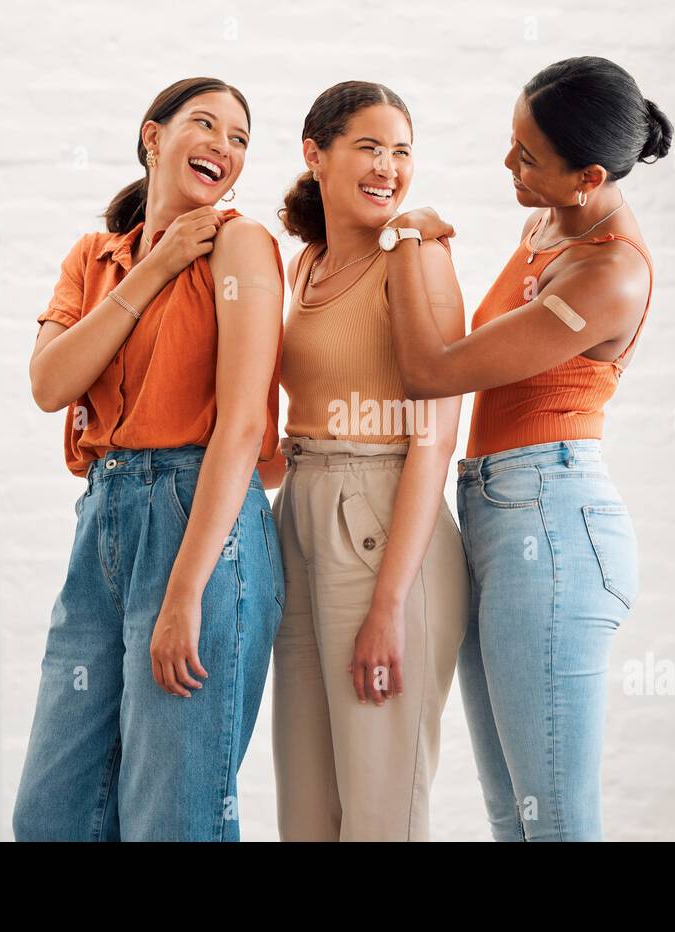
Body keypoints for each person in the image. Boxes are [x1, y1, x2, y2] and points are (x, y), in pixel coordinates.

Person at [382, 56, 671, 841]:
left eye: (528, 157)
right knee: (515, 813)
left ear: (590, 176)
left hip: (554, 524)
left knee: (557, 824)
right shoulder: (544, 225)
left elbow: (429, 371)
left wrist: (405, 240)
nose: (507, 164)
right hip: (501, 515)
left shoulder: (609, 274)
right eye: (513, 141)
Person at [13, 77, 286, 841]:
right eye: (206, 124)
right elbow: (50, 382)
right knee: (52, 815)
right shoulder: (96, 257)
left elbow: (239, 425)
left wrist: (185, 591)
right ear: (153, 137)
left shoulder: (240, 244)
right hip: (104, 517)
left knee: (174, 818)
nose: (224, 147)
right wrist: (155, 267)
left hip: (201, 523)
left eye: (239, 138)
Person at [268, 81, 469, 841]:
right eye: (370, 147)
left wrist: (390, 605)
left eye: (402, 152)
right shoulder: (306, 265)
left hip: (386, 524)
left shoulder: (419, 259)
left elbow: (435, 437)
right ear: (315, 155)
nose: (389, 167)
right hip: (304, 515)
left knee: (381, 807)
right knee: (308, 808)